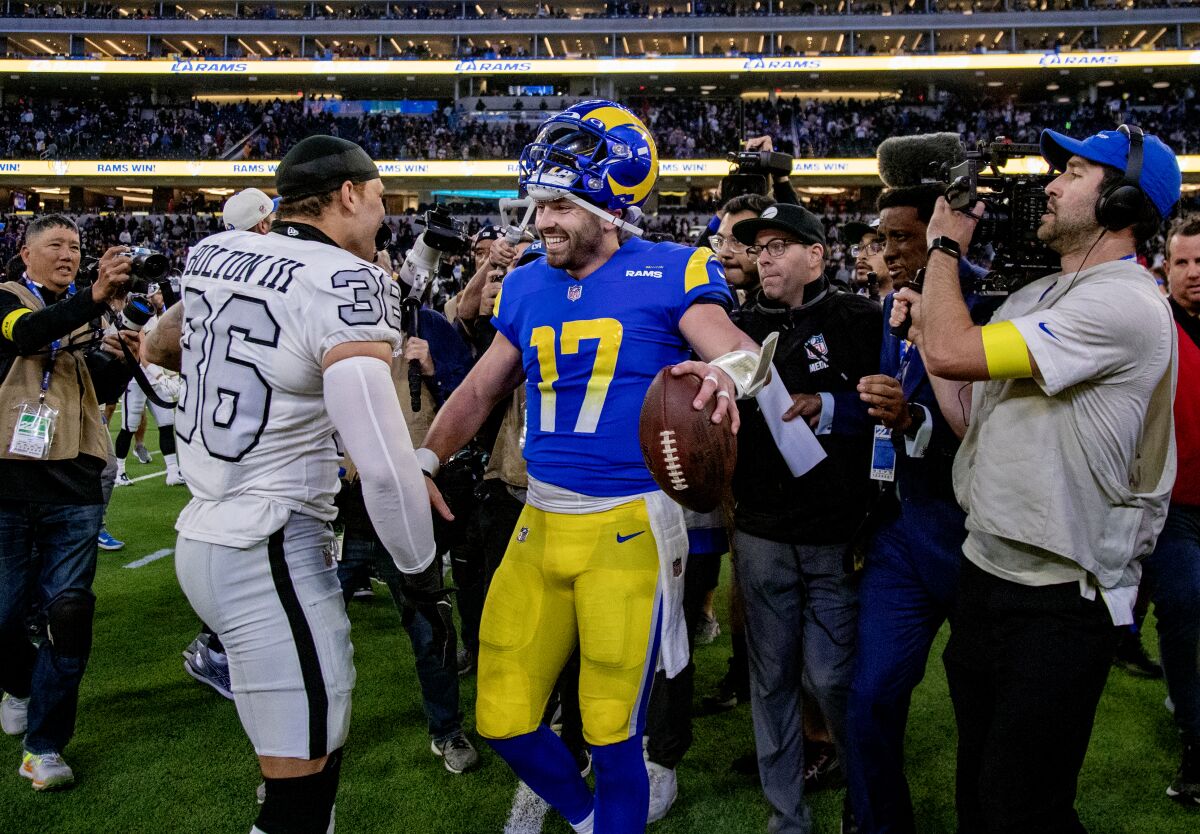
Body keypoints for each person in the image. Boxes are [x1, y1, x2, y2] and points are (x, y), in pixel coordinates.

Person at [417, 99, 768, 833]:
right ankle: (582, 819)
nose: (539, 219)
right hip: (540, 517)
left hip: (631, 526)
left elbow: (734, 345)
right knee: (503, 716)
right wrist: (424, 457)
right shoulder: (526, 284)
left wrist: (727, 376)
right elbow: (482, 388)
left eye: (558, 203)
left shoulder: (673, 268)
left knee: (613, 734)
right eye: (537, 200)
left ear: (609, 204)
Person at [891, 125, 1180, 832]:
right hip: (986, 573)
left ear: (1120, 201)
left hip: (1059, 596)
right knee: (981, 796)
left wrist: (945, 245)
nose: (1050, 184)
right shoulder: (1038, 296)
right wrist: (925, 335)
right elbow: (968, 419)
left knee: (1024, 808)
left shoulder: (1124, 302)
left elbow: (959, 350)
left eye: (1075, 171)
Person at [170, 136, 444, 834]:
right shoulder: (347, 279)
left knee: (304, 753)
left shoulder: (210, 253)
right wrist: (419, 575)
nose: (385, 218)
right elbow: (382, 462)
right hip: (270, 543)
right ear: (348, 194)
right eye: (381, 199)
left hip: (205, 530)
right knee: (302, 783)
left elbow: (157, 345)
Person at [843, 183, 996, 834]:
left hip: (974, 536)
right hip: (902, 532)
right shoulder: (889, 311)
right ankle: (878, 822)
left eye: (903, 236)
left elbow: (988, 430)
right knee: (871, 693)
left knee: (982, 707)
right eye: (883, 239)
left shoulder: (992, 309)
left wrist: (914, 420)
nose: (889, 251)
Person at [728, 202, 882, 834]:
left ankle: (859, 794)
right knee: (770, 682)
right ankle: (785, 817)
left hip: (832, 529)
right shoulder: (733, 327)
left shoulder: (859, 320)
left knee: (831, 677)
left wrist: (834, 407)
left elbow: (896, 404)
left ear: (816, 255)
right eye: (758, 247)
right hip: (759, 529)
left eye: (779, 245)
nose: (764, 256)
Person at [0, 215, 139, 790]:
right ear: (25, 253)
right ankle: (19, 683)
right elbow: (28, 335)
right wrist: (93, 299)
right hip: (8, 484)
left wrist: (127, 357)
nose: (67, 253)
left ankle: (45, 746)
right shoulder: (6, 301)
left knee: (69, 614)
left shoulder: (84, 317)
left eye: (75, 247)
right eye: (55, 244)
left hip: (75, 481)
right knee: (5, 614)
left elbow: (97, 387)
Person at [1141, 213, 1200, 807]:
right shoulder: (1153, 327)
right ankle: (1196, 744)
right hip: (1173, 506)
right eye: (1181, 262)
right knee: (1182, 611)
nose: (1193, 273)